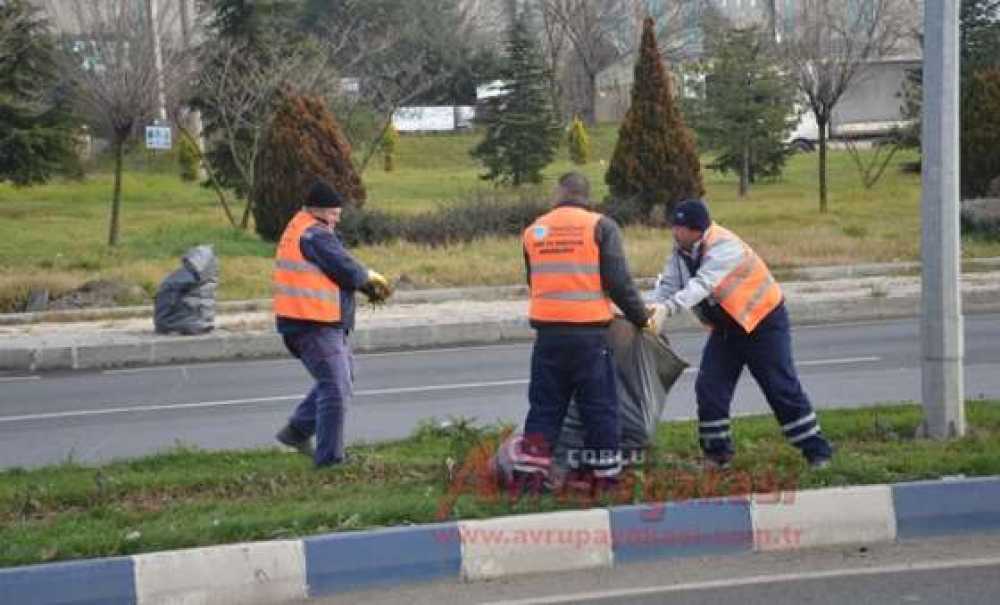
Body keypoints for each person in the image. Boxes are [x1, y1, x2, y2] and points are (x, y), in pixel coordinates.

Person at [649, 199, 833, 470]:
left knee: (780, 387)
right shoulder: (680, 252)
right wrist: (653, 308)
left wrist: (668, 309)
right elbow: (669, 284)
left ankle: (817, 452)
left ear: (696, 229)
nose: (674, 232)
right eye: (674, 226)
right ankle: (717, 455)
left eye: (680, 228)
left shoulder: (724, 246)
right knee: (710, 388)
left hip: (763, 323)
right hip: (728, 329)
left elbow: (703, 284)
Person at [517, 172, 655, 492]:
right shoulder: (600, 226)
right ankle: (603, 479)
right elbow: (619, 283)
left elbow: (534, 280)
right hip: (589, 336)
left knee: (545, 407)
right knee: (600, 406)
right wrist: (641, 319)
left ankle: (530, 479)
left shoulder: (534, 230)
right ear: (586, 195)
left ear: (558, 193)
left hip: (548, 336)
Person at [273, 178, 391, 467]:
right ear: (322, 211)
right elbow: (345, 267)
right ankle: (330, 460)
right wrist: (371, 282)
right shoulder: (315, 234)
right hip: (312, 322)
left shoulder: (299, 225)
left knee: (342, 376)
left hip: (309, 320)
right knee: (336, 387)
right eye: (335, 214)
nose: (337, 220)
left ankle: (297, 431)